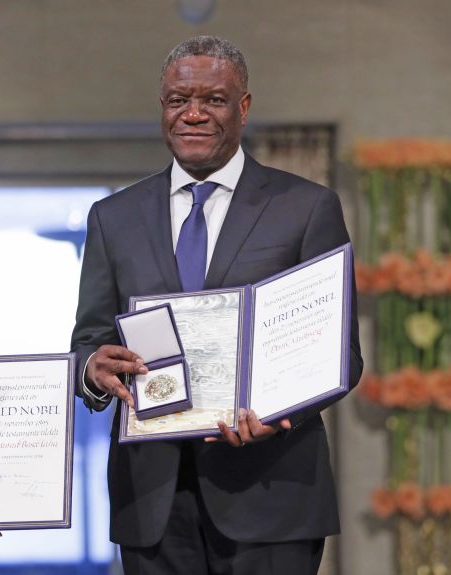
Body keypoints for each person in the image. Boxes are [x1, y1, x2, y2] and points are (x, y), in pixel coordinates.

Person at [71, 36, 363, 574]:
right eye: (179, 100)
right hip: (152, 500)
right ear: (163, 108)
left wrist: (281, 414)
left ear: (244, 107)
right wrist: (93, 370)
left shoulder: (305, 207)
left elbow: (341, 353)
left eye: (214, 99)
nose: (194, 113)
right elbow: (89, 342)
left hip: (270, 493)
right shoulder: (112, 217)